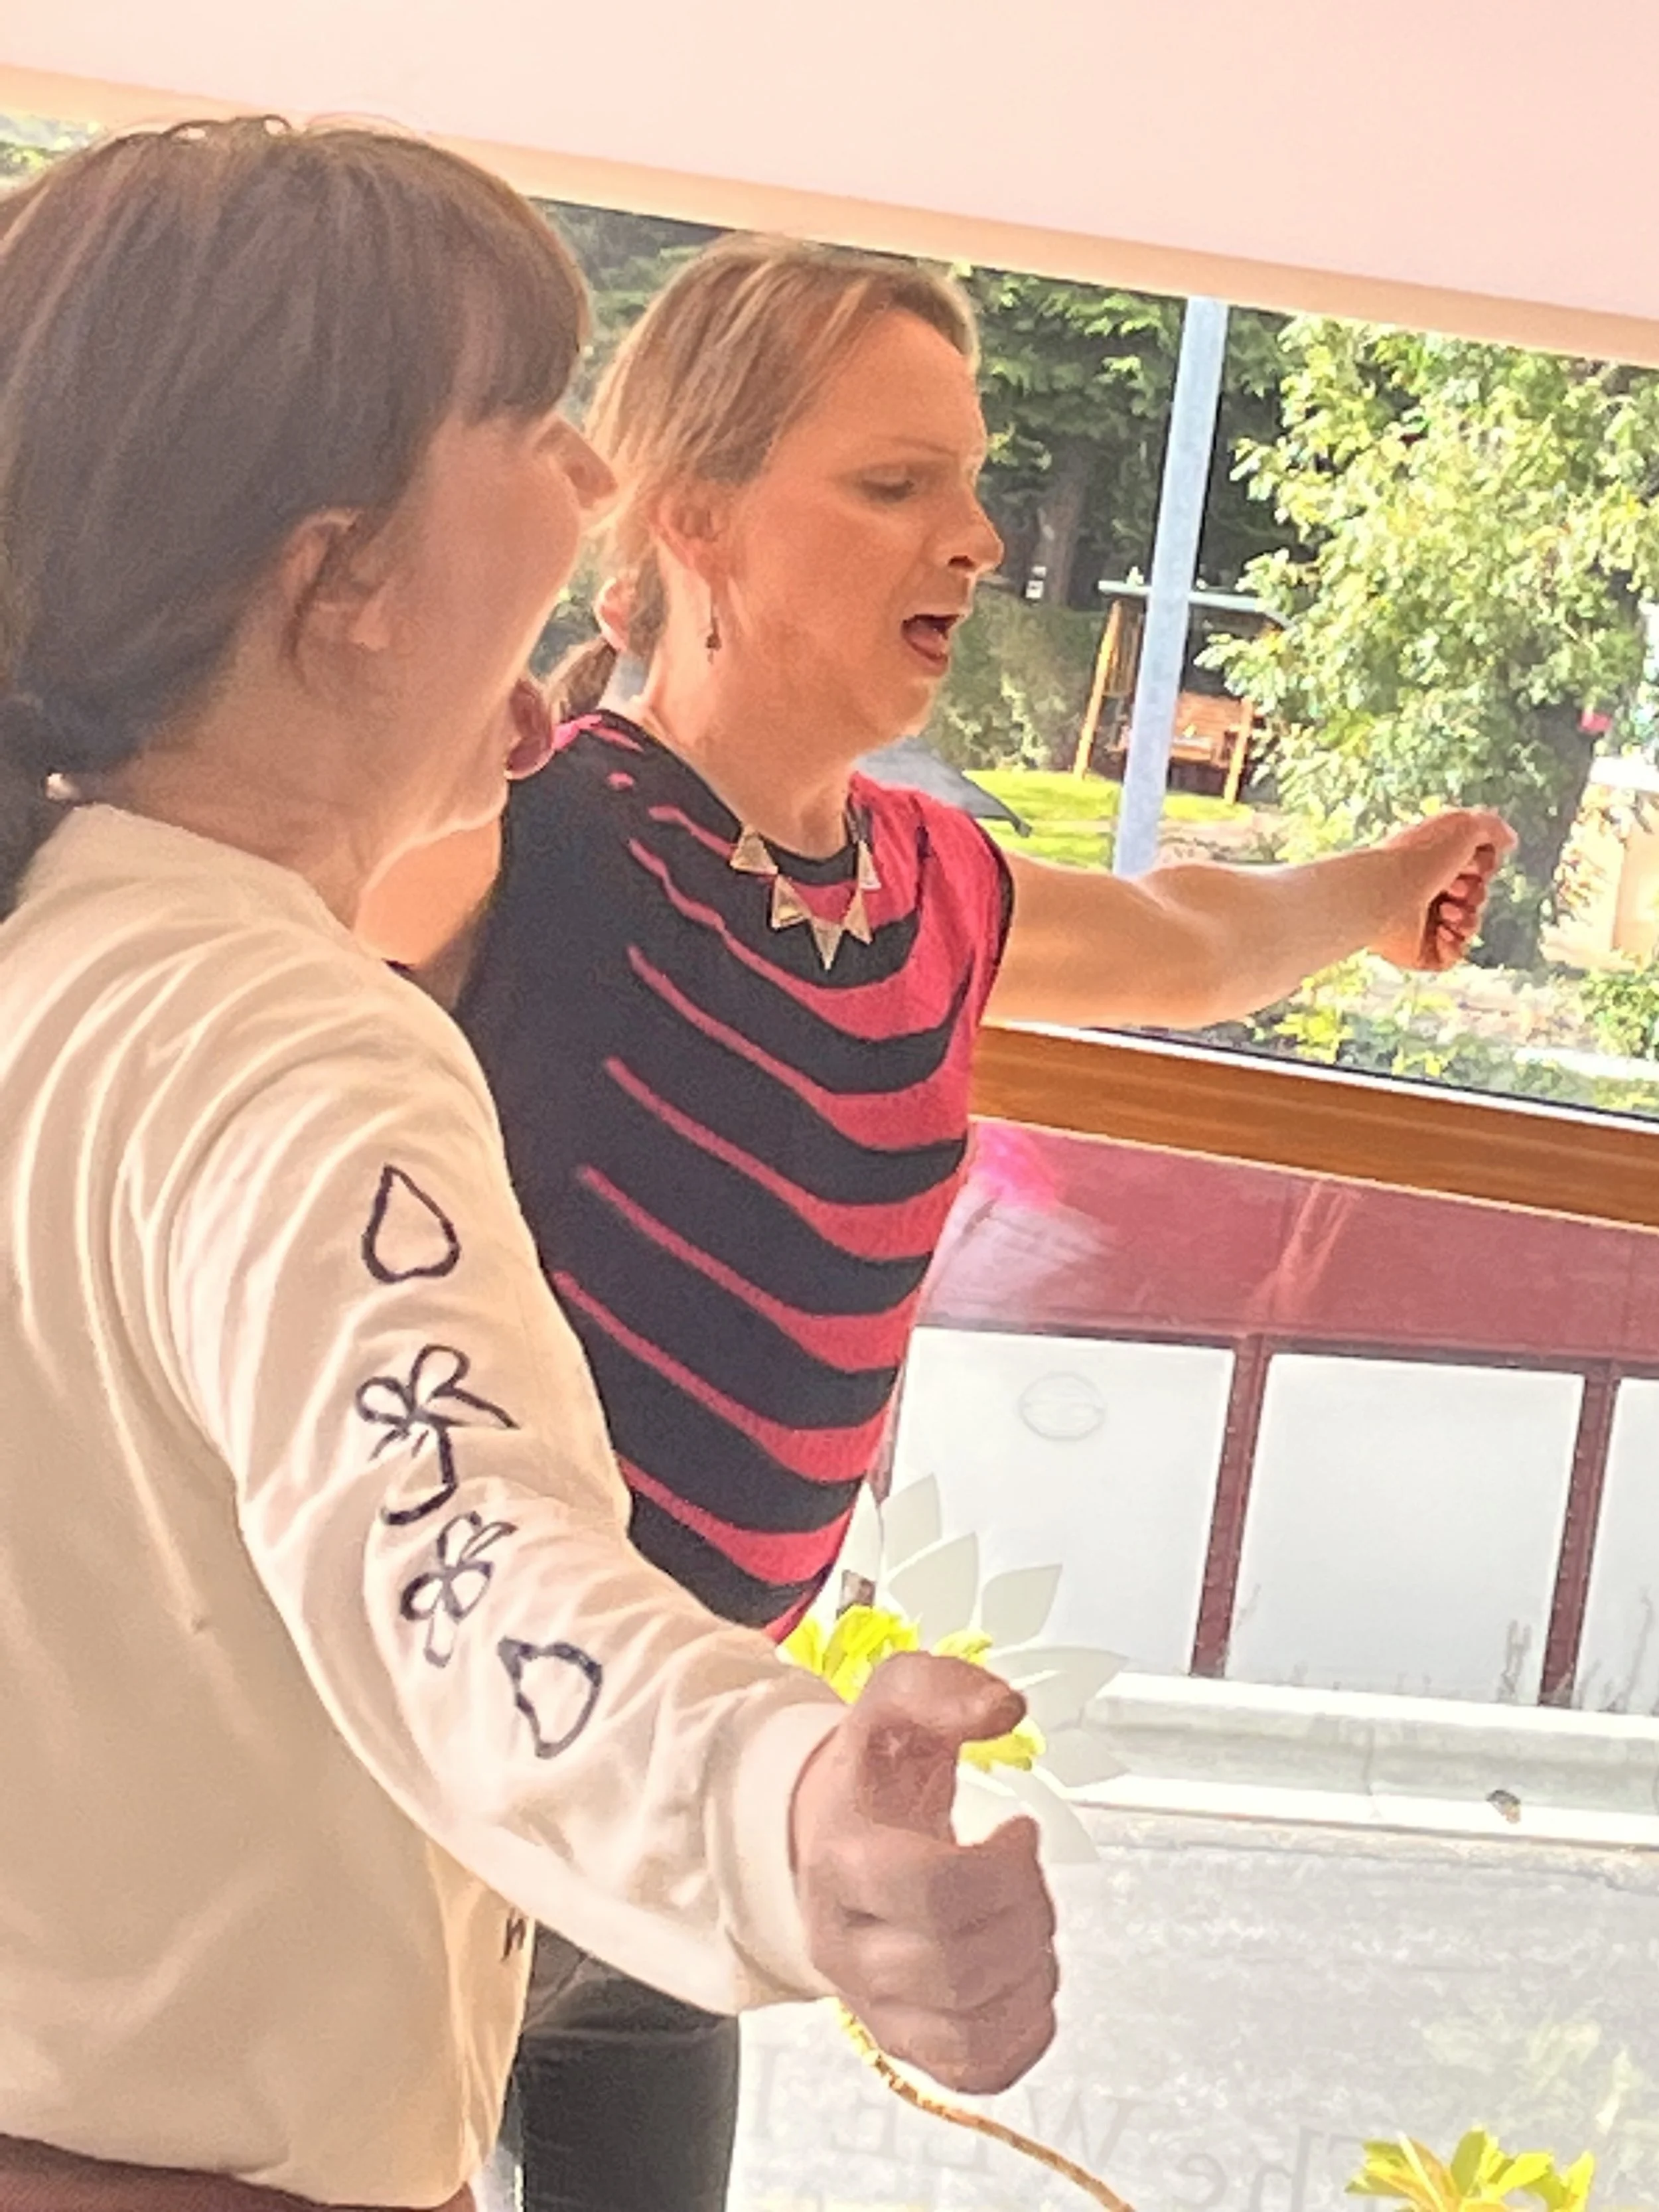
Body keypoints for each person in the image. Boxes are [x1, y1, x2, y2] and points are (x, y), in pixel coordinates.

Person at [357, 234, 1515, 2212]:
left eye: (970, 488)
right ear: (695, 521)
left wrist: (1374, 886)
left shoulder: (931, 887)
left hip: (693, 1811)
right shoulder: (525, 832)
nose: (973, 541)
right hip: (427, 1791)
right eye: (895, 485)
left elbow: (1184, 940)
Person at [0, 129, 1062, 2212]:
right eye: (534, 423)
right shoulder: (286, 1046)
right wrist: (784, 1809)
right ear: (343, 585)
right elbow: (457, 1556)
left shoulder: (58, 956)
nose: (592, 485)